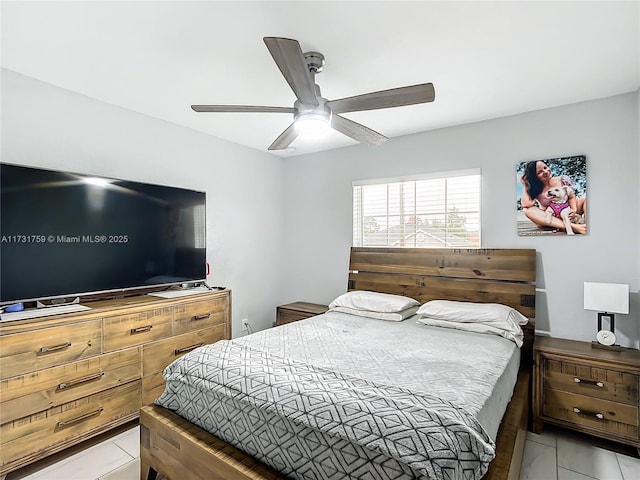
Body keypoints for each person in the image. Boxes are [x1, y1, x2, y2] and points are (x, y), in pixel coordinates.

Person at [520, 160, 587, 235]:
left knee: (586, 199)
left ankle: (587, 226)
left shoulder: (562, 180)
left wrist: (573, 209)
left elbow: (571, 196)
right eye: (539, 172)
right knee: (527, 210)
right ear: (534, 177)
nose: (545, 172)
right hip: (552, 218)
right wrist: (526, 183)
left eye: (545, 167)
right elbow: (526, 204)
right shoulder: (537, 188)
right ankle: (574, 227)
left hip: (567, 212)